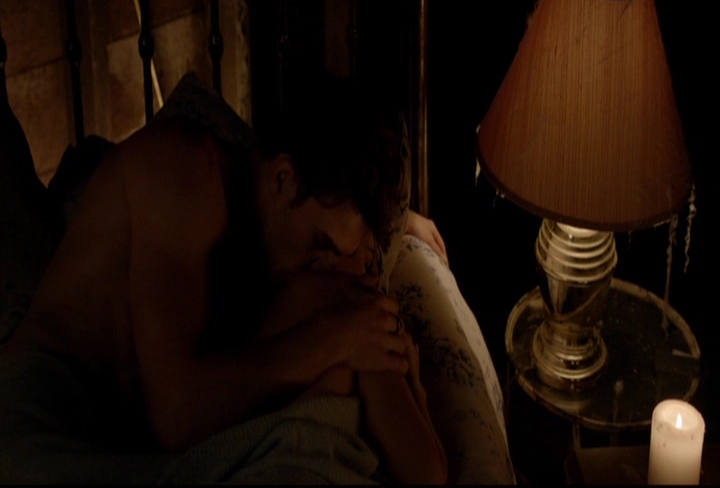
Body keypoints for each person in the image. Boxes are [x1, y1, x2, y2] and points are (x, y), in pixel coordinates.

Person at [0, 71, 448, 483]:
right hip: (43, 415)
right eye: (319, 243)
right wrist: (333, 338)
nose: (320, 266)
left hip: (128, 432)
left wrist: (403, 224)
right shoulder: (182, 171)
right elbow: (179, 418)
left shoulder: (275, 229)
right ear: (282, 177)